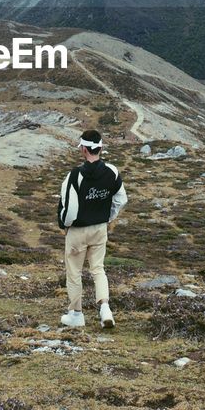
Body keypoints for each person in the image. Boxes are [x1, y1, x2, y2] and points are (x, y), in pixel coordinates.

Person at [57, 129, 127, 328]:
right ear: (100, 148)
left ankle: (76, 314)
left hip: (78, 231)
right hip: (99, 229)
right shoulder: (112, 172)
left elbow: (69, 208)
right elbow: (121, 200)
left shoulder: (75, 176)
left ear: (85, 150)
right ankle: (105, 308)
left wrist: (65, 225)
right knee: (98, 269)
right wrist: (107, 217)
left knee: (74, 273)